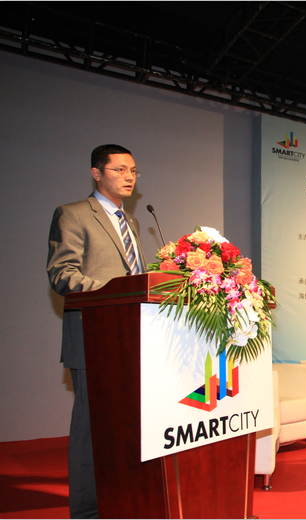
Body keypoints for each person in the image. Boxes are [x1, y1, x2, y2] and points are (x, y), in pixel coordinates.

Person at [46, 144, 146, 518]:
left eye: (133, 171)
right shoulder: (72, 214)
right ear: (97, 173)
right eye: (120, 169)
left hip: (131, 337)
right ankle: (87, 512)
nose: (129, 177)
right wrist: (116, 292)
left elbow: (134, 278)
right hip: (94, 337)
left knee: (127, 428)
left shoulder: (131, 222)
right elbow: (63, 274)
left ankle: (122, 500)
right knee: (91, 428)